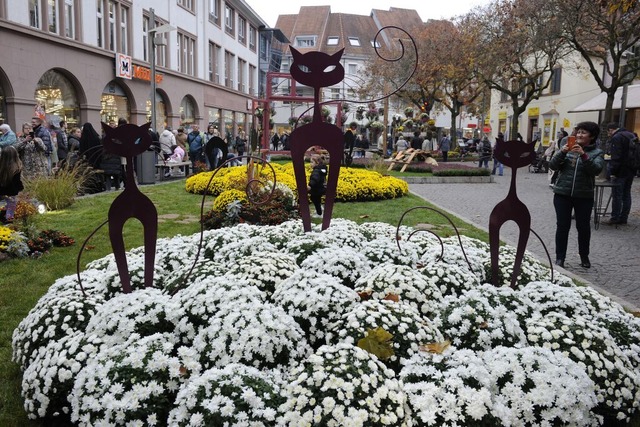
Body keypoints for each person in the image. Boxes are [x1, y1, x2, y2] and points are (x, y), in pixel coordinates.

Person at [548, 121, 604, 269]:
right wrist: (562, 152)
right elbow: (552, 165)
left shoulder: (597, 153)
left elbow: (596, 170)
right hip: (562, 194)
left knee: (583, 227)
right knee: (562, 226)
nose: (579, 134)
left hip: (584, 196)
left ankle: (584, 256)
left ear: (591, 137)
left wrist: (584, 155)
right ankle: (560, 258)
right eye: (578, 132)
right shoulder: (566, 148)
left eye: (583, 132)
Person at [606, 122, 636, 225]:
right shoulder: (631, 134)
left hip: (621, 170)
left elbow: (616, 157)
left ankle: (615, 217)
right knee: (626, 194)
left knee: (617, 194)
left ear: (611, 130)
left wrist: (613, 172)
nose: (609, 134)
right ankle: (624, 217)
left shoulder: (617, 137)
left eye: (608, 132)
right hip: (631, 169)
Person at [0, 146, 24, 222]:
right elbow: (17, 183)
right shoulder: (16, 169)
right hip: (12, 193)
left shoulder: (1, 167)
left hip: (1, 192)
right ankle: (8, 221)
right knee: (10, 209)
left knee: (4, 207)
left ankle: (4, 218)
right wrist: (21, 189)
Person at [307, 154, 327, 218]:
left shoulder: (316, 171)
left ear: (317, 163)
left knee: (315, 199)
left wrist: (310, 186)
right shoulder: (322, 169)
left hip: (317, 189)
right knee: (316, 199)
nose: (310, 164)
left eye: (312, 162)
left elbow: (315, 179)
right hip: (321, 187)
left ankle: (319, 213)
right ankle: (320, 208)